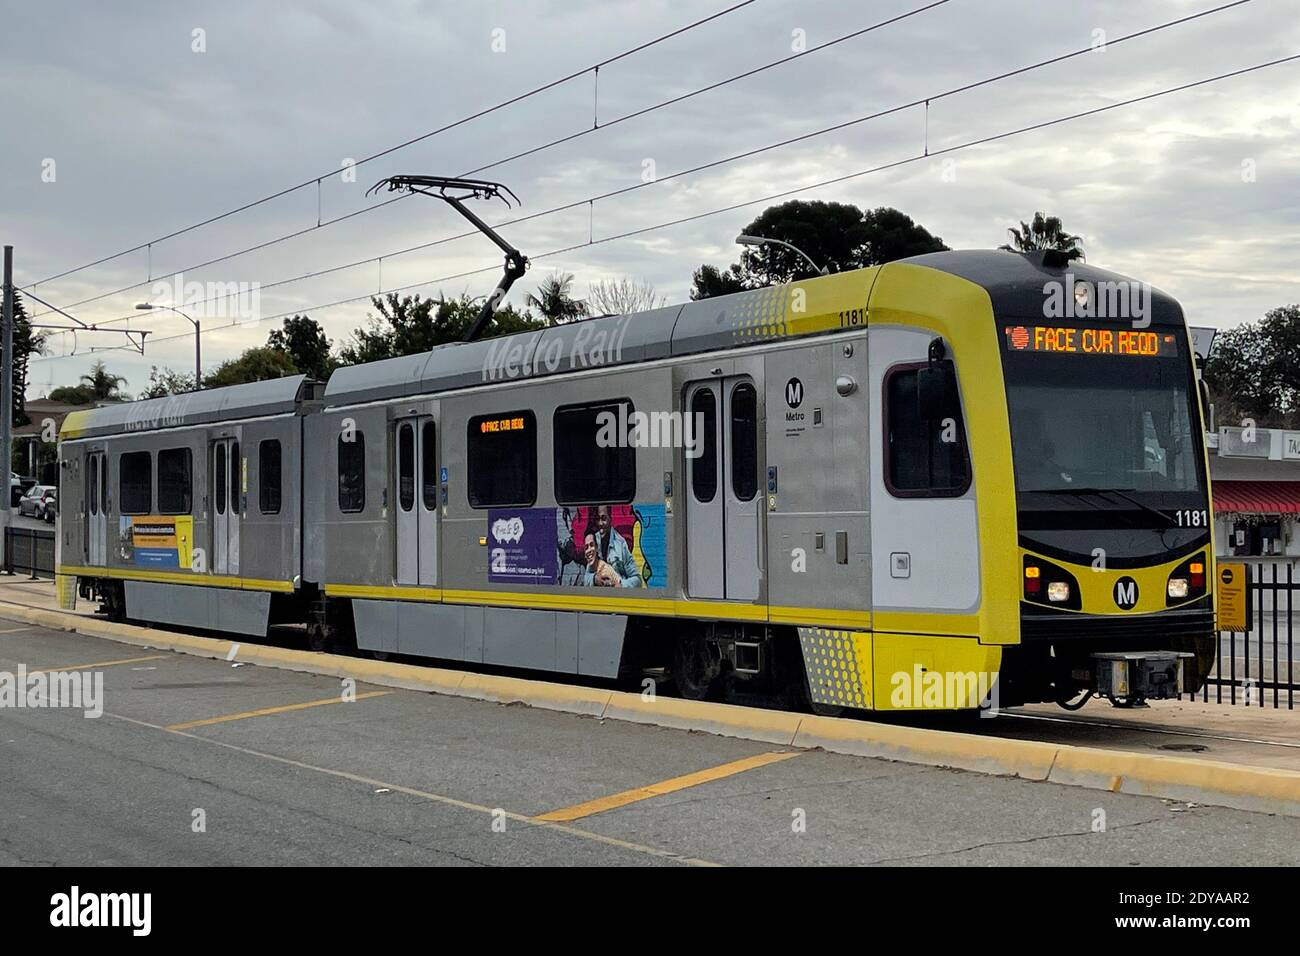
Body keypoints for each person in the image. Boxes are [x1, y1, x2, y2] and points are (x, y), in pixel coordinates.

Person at [592, 504, 642, 587]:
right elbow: (586, 576)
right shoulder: (593, 541)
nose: (600, 523)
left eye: (604, 518)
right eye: (598, 519)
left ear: (610, 519)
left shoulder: (620, 544)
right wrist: (594, 579)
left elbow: (637, 580)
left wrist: (621, 585)